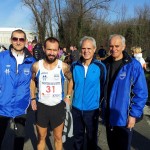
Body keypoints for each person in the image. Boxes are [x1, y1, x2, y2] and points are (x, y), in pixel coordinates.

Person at [103, 34, 148, 150]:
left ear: (123, 47)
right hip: (109, 116)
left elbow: (141, 93)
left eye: (117, 46)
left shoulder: (133, 65)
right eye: (111, 46)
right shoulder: (106, 64)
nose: (114, 49)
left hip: (124, 118)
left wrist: (133, 115)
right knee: (112, 147)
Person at [30, 37, 73, 150]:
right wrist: (33, 98)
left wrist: (68, 96)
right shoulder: (36, 66)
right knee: (41, 137)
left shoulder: (63, 66)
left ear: (58, 50)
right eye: (49, 49)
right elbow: (32, 81)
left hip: (57, 107)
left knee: (58, 138)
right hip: (42, 107)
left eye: (54, 50)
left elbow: (71, 80)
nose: (52, 53)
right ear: (44, 49)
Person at [0, 29, 35, 150]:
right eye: (15, 39)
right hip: (2, 104)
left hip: (21, 104)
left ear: (25, 41)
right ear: (11, 40)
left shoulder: (32, 61)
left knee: (19, 137)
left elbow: (34, 82)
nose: (18, 42)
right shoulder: (1, 57)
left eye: (21, 39)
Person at [71, 36, 106, 150]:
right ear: (81, 49)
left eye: (89, 48)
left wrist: (99, 103)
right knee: (78, 137)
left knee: (91, 138)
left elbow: (103, 86)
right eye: (84, 48)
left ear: (94, 49)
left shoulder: (100, 67)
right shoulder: (74, 65)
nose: (86, 51)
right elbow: (71, 83)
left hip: (92, 109)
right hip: (76, 108)